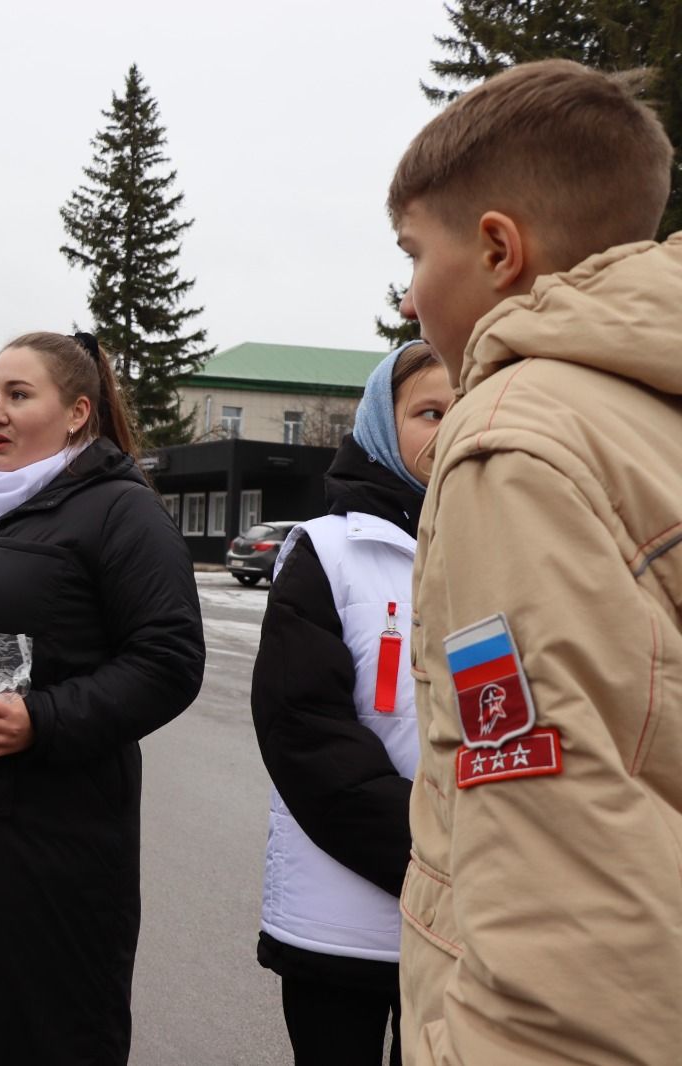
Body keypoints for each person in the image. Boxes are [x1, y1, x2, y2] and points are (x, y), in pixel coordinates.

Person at [388, 60, 682, 1062]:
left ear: (497, 248)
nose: (406, 297)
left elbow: (550, 827)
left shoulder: (511, 445)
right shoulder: (648, 413)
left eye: (413, 254)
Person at [0, 331, 205, 1065]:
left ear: (78, 413)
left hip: (48, 841)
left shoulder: (120, 512)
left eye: (19, 395)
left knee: (25, 1027)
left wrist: (41, 720)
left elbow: (169, 660)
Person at [250, 341, 451, 1065]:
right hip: (340, 923)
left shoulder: (497, 545)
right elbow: (303, 734)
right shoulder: (327, 553)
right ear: (376, 425)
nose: (449, 429)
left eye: (464, 410)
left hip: (465, 923)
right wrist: (431, 855)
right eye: (429, 411)